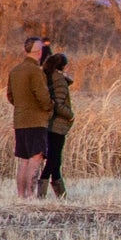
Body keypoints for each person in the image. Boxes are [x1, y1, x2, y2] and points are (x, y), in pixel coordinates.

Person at [7, 36, 52, 201]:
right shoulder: (35, 71)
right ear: (39, 52)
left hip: (19, 120)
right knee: (36, 157)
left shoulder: (15, 71)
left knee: (24, 159)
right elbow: (43, 97)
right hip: (35, 121)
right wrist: (49, 107)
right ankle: (31, 195)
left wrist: (22, 106)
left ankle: (21, 196)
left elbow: (10, 96)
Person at [38, 52, 74, 198]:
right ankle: (41, 192)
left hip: (50, 124)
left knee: (55, 159)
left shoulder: (48, 77)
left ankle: (61, 195)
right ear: (62, 66)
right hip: (57, 125)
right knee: (54, 159)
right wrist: (70, 115)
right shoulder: (59, 80)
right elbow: (58, 104)